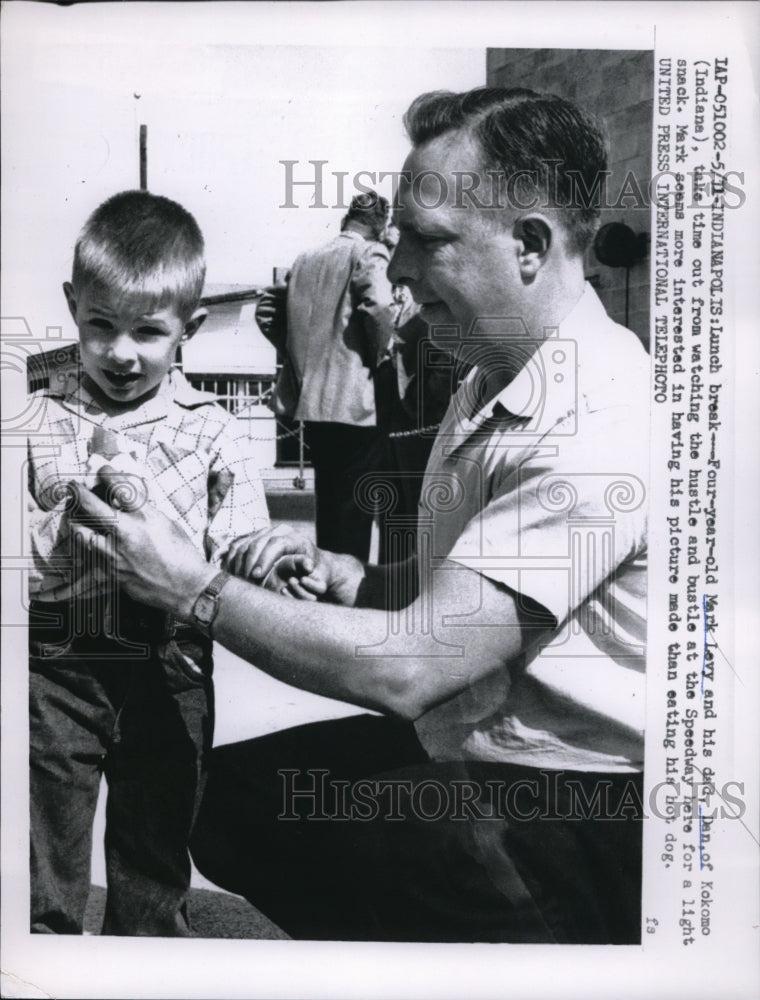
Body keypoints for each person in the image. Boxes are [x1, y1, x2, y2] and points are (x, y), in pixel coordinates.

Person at [61, 87, 650, 943]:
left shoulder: (600, 413)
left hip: (587, 809)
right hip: (487, 755)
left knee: (383, 844)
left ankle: (538, 959)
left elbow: (409, 670)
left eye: (428, 239)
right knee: (226, 797)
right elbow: (467, 604)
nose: (398, 266)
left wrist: (193, 588)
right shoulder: (494, 376)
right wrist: (359, 578)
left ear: (530, 246)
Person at [26, 190, 270, 935]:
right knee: (46, 838)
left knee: (155, 842)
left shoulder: (215, 431)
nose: (121, 352)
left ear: (189, 330)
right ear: (73, 306)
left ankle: (144, 958)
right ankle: (46, 955)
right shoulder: (33, 413)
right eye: (100, 326)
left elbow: (239, 541)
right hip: (58, 655)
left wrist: (265, 564)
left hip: (171, 659)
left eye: (147, 331)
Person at [256, 192, 397, 561]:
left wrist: (290, 354)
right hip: (357, 403)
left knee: (331, 508)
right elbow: (380, 305)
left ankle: (326, 588)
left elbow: (267, 310)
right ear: (380, 226)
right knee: (357, 510)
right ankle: (347, 599)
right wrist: (383, 354)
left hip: (310, 402)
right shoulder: (369, 253)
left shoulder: (306, 258)